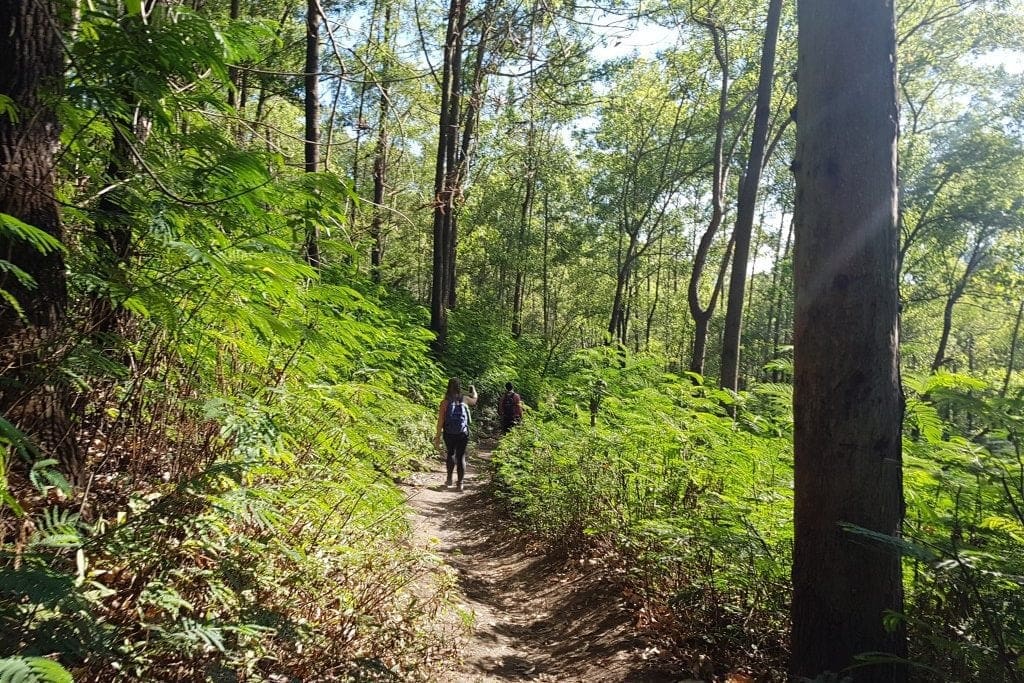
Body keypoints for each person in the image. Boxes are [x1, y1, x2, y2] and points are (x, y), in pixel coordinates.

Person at [433, 378, 478, 491]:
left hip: (449, 433)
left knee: (450, 454)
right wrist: (473, 390)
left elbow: (440, 422)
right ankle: (460, 484)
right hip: (462, 433)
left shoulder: (444, 402)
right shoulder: (465, 399)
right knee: (461, 456)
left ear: (448, 387)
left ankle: (449, 480)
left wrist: (437, 437)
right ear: (459, 387)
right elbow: (475, 400)